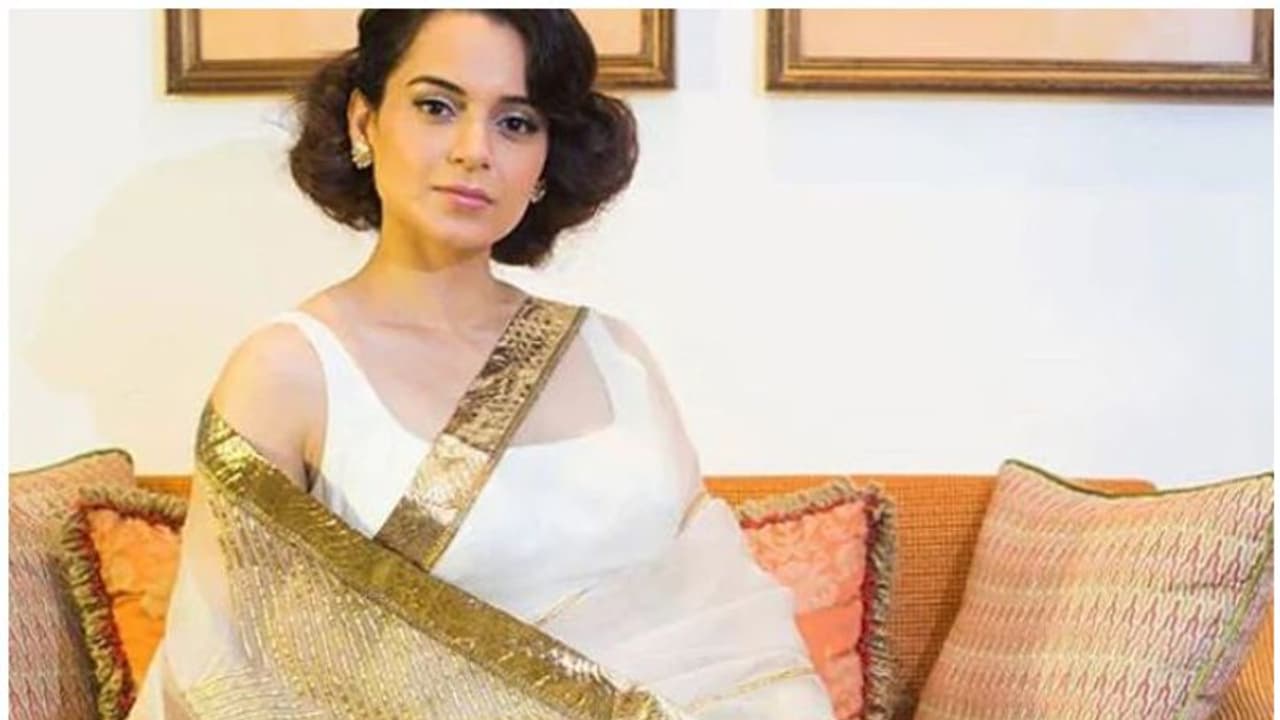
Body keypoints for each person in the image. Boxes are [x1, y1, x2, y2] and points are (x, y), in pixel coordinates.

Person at [129, 10, 835, 719]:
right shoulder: (288, 374)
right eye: (437, 107)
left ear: (545, 160)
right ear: (364, 122)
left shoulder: (614, 354)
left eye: (517, 123)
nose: (475, 150)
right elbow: (225, 675)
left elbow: (733, 633)